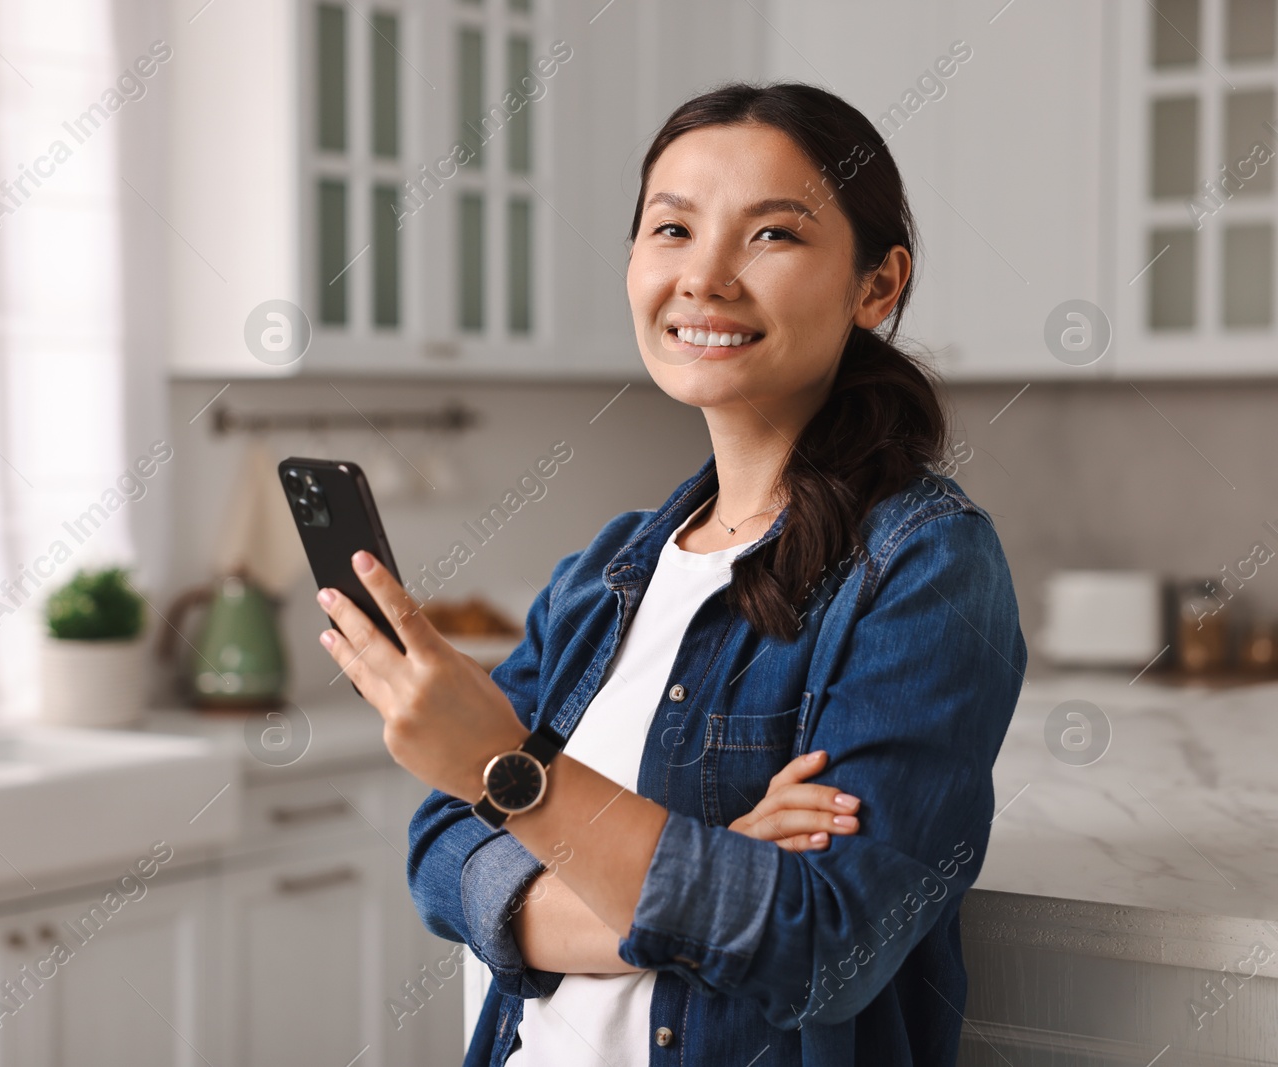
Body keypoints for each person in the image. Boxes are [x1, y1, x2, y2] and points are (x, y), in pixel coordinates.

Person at [313, 81, 1027, 1066]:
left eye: (771, 235)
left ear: (877, 284)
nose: (706, 278)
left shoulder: (922, 564)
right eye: (671, 229)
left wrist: (515, 779)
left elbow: (826, 942)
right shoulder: (607, 569)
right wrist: (710, 864)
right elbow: (441, 859)